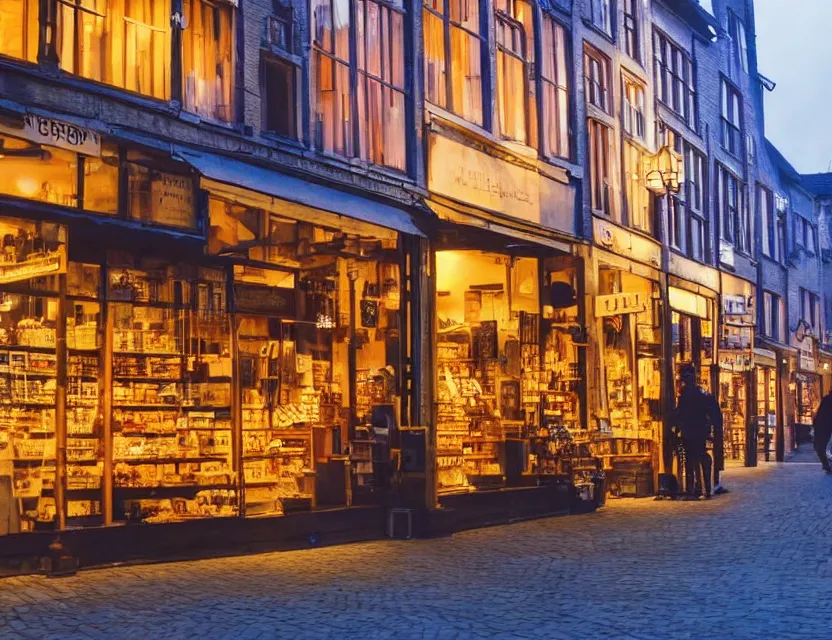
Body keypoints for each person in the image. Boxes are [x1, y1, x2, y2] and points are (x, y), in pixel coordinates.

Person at [672, 364, 720, 499]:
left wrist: (677, 428)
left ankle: (693, 488)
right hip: (700, 431)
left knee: (690, 460)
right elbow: (712, 412)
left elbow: (680, 414)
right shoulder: (702, 393)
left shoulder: (685, 395)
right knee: (698, 458)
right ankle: (703, 488)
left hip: (690, 431)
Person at [812, 391, 832, 474]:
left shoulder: (826, 399)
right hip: (825, 426)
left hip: (824, 426)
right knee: (822, 447)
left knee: (820, 447)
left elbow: (820, 414)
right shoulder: (827, 400)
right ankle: (827, 466)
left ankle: (827, 466)